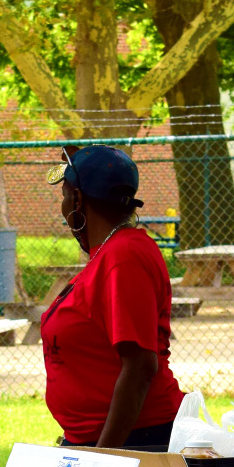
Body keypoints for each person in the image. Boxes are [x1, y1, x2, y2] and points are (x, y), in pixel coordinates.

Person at [39, 145, 185, 448]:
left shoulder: (124, 255)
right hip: (104, 440)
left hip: (137, 440)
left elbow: (140, 367)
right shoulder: (111, 252)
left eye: (65, 194)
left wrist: (103, 458)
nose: (63, 206)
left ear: (77, 199)